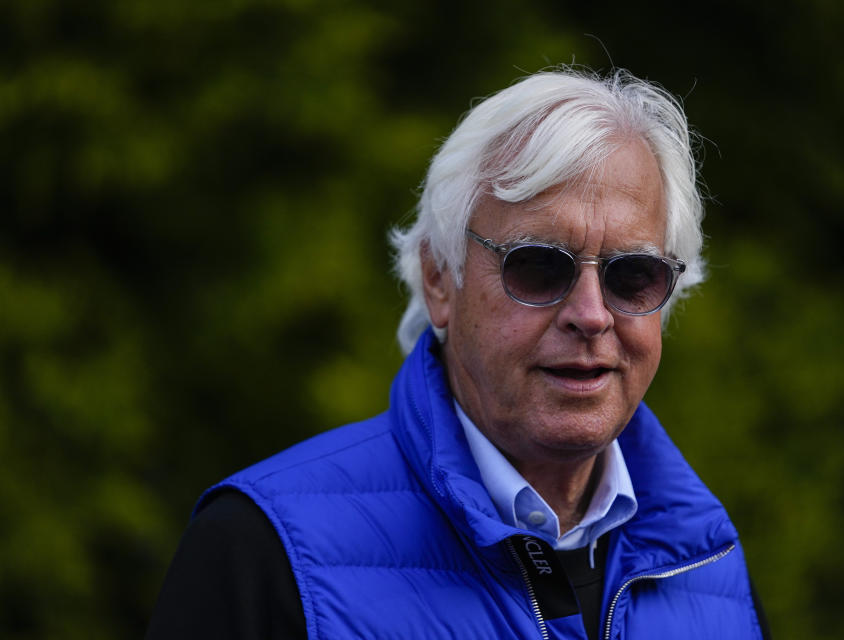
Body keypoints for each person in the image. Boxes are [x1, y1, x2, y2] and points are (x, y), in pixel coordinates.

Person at [147, 67, 771, 640]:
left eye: (632, 275)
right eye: (537, 267)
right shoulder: (264, 551)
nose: (590, 314)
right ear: (440, 279)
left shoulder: (711, 566)